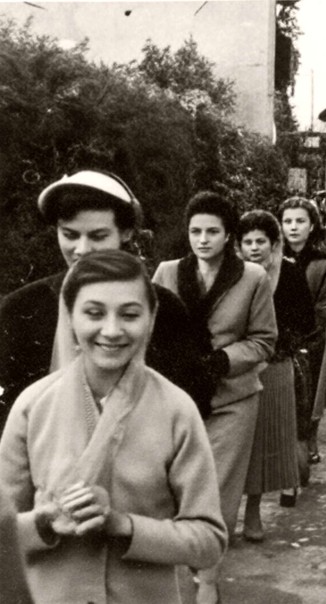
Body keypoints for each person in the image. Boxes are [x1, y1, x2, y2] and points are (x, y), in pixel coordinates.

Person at [0, 250, 227, 603]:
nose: (111, 330)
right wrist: (45, 522)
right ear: (69, 317)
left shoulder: (176, 410)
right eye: (94, 313)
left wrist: (124, 525)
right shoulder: (33, 407)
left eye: (129, 314)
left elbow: (209, 540)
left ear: (151, 318)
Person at [0, 170, 210, 433]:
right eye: (70, 235)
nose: (82, 250)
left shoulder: (165, 309)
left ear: (126, 233)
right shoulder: (21, 308)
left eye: (98, 236)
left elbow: (193, 404)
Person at [153, 192, 276, 603]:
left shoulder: (252, 278)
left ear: (228, 236)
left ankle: (207, 580)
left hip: (232, 400)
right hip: (175, 400)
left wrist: (222, 360)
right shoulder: (167, 273)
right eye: (195, 231)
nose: (202, 240)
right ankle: (176, 580)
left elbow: (264, 340)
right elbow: (149, 332)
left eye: (212, 231)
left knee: (218, 494)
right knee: (172, 490)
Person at [236, 210, 314, 542]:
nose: (254, 248)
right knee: (233, 443)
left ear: (273, 243)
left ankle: (253, 513)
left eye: (261, 241)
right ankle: (224, 514)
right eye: (247, 242)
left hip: (275, 366)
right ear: (238, 245)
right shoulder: (231, 274)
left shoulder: (290, 273)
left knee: (264, 444)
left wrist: (278, 346)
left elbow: (306, 320)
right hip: (237, 366)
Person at [278, 198, 326, 469]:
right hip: (279, 335)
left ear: (311, 226)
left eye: (300, 221)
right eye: (287, 221)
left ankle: (309, 439)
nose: (293, 227)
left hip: (315, 335)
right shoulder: (271, 257)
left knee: (312, 393)